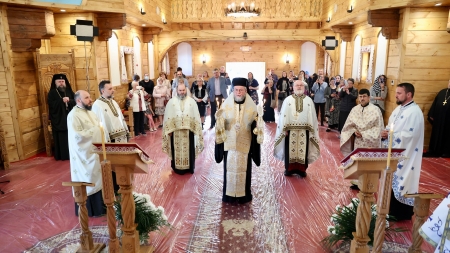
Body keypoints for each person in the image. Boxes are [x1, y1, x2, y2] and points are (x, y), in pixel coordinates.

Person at [214, 78, 263, 203]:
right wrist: (219, 120)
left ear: (246, 91)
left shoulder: (252, 107)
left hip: (244, 143)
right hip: (229, 144)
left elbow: (255, 124)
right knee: (229, 169)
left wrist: (257, 124)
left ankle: (244, 195)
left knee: (244, 169)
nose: (239, 93)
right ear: (233, 90)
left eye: (241, 90)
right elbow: (221, 124)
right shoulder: (226, 105)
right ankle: (228, 195)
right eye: (236, 90)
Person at [381, 83, 424, 221]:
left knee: (404, 180)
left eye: (399, 93)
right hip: (395, 154)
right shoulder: (399, 109)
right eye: (396, 92)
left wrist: (390, 135)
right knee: (392, 180)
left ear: (409, 95)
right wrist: (385, 132)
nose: (396, 95)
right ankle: (391, 209)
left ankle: (402, 213)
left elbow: (411, 135)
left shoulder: (414, 112)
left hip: (407, 155)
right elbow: (391, 127)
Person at [67, 90, 104, 217]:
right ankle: (91, 209)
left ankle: (100, 207)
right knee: (88, 177)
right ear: (78, 100)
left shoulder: (91, 112)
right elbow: (77, 136)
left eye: (90, 96)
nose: (90, 99)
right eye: (87, 98)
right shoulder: (73, 115)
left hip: (95, 150)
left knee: (99, 175)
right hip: (84, 154)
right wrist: (96, 130)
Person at [274, 80, 320, 177]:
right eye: (297, 85)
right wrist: (284, 129)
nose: (299, 87)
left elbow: (313, 116)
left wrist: (310, 129)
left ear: (304, 87)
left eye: (301, 85)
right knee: (289, 150)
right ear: (293, 87)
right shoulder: (288, 100)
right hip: (290, 131)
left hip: (305, 130)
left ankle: (302, 170)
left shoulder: (309, 100)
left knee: (303, 150)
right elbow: (283, 115)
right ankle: (289, 169)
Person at [162, 83, 204, 175]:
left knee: (190, 149)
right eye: (180, 90)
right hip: (175, 131)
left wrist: (195, 129)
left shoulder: (192, 101)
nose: (182, 92)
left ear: (186, 90)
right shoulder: (171, 102)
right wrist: (169, 130)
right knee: (175, 149)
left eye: (183, 90)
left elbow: (196, 116)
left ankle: (189, 168)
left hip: (189, 132)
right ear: (177, 90)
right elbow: (168, 116)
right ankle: (177, 169)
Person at [47, 73, 76, 160]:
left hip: (70, 117)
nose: (61, 83)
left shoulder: (69, 91)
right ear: (55, 83)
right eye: (59, 81)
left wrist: (69, 100)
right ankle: (62, 155)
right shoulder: (52, 93)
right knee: (61, 138)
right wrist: (61, 101)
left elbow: (76, 101)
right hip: (59, 118)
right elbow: (51, 105)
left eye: (62, 81)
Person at [426, 79, 450, 157]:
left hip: (448, 121)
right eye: (449, 81)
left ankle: (446, 152)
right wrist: (432, 114)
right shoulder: (442, 92)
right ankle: (434, 150)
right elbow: (435, 103)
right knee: (436, 135)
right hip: (438, 120)